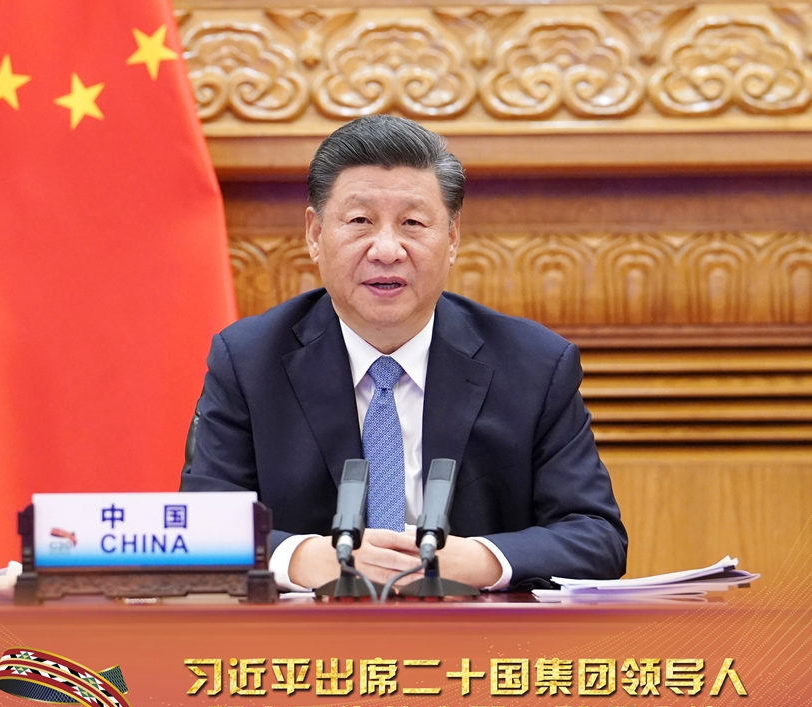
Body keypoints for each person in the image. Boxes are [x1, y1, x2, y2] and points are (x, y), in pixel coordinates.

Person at [182, 115, 627, 591]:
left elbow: (596, 537)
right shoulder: (249, 361)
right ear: (314, 234)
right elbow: (200, 529)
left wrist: (477, 560)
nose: (387, 250)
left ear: (452, 238)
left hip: (475, 634)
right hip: (310, 636)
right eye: (360, 222)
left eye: (412, 223)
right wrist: (303, 558)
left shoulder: (534, 365)